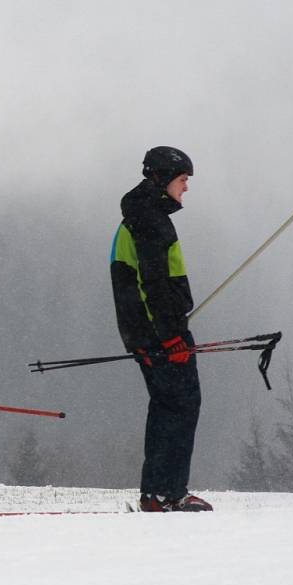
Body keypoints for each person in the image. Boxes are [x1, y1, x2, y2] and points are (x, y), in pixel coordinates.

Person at [109, 146, 213, 512]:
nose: (185, 187)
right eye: (183, 180)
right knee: (181, 404)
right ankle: (168, 493)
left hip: (146, 334)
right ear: (163, 178)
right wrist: (171, 337)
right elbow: (153, 284)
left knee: (167, 406)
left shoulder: (137, 215)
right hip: (160, 334)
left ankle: (157, 493)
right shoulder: (151, 220)